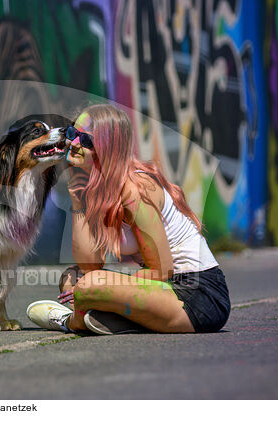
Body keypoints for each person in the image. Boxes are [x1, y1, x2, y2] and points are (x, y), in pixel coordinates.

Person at [26, 104, 230, 334]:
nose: (73, 144)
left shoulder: (135, 189)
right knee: (73, 278)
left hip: (196, 296)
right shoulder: (96, 189)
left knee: (89, 285)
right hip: (162, 291)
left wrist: (104, 284)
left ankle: (70, 321)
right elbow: (89, 265)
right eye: (73, 133)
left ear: (108, 150)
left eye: (87, 141)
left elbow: (162, 271)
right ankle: (114, 320)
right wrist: (78, 204)